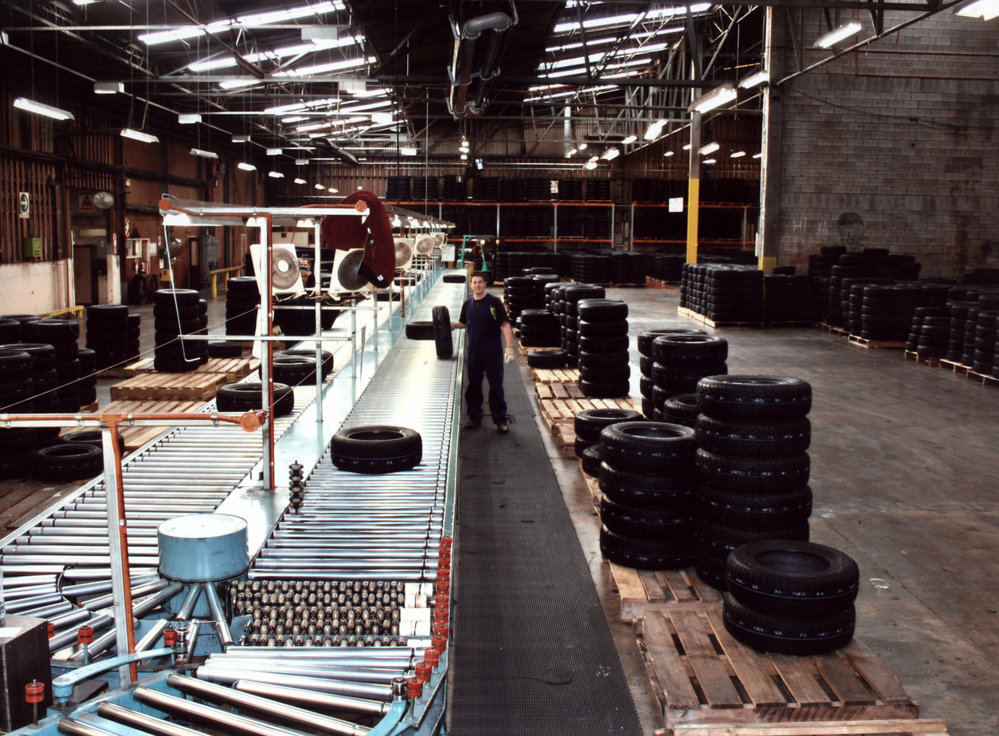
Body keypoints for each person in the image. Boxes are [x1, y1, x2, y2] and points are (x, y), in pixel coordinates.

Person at [453, 271, 515, 433]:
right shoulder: (468, 304)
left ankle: (500, 420)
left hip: (492, 351)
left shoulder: (494, 302)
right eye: (474, 282)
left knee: (496, 386)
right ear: (471, 284)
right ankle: (475, 418)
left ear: (485, 283)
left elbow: (505, 325)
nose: (477, 285)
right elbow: (464, 323)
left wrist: (509, 348)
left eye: (480, 282)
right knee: (473, 386)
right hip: (474, 351)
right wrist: (450, 324)